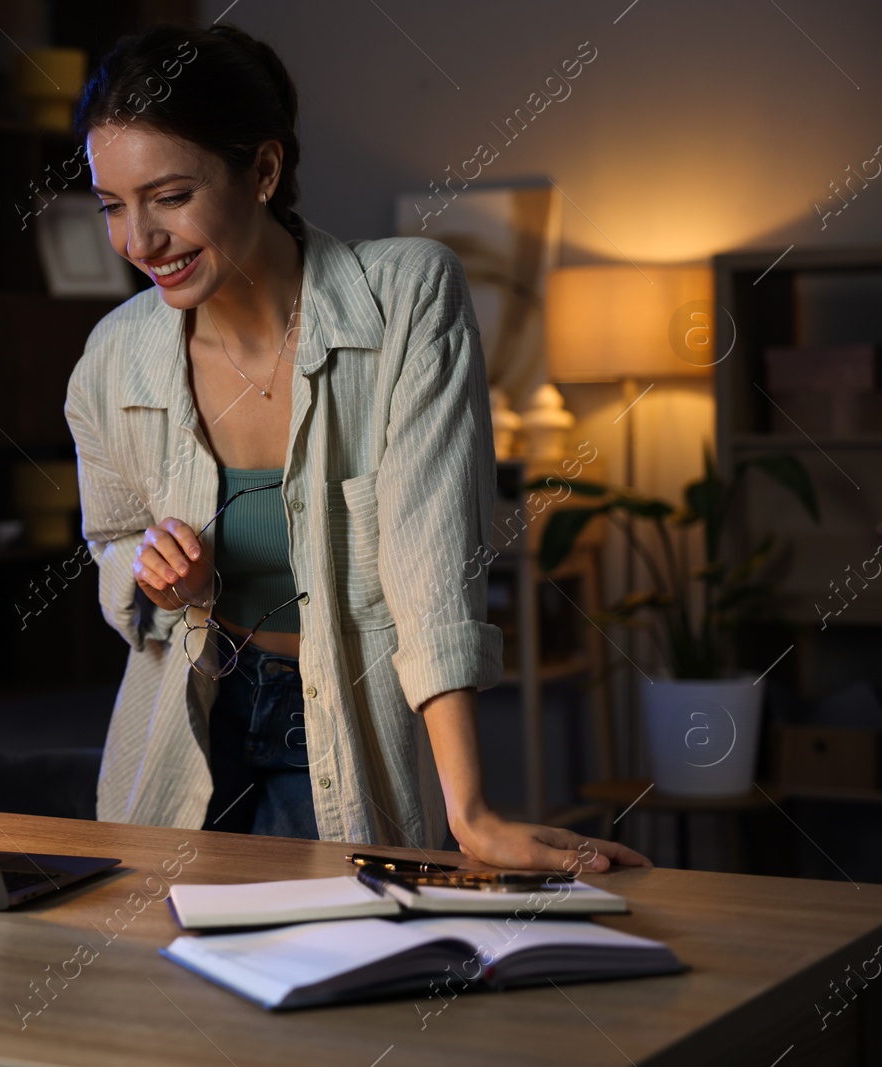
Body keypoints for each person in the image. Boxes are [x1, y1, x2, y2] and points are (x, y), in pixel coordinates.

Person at [63, 24, 649, 873]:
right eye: (113, 205)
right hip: (179, 741)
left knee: (339, 976)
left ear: (263, 171)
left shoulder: (408, 297)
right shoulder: (111, 358)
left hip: (334, 727)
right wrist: (158, 573)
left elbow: (430, 564)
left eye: (171, 196)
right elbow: (111, 543)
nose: (138, 242)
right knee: (164, 987)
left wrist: (472, 813)